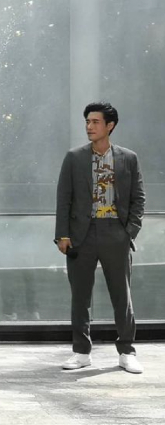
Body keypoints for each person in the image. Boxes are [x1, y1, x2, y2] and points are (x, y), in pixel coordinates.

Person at [55, 102, 145, 373]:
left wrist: (129, 231)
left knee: (122, 295)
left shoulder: (128, 158)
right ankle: (81, 351)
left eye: (95, 122)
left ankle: (127, 351)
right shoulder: (74, 157)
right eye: (87, 122)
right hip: (81, 235)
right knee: (80, 296)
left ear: (110, 125)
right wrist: (62, 234)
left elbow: (138, 198)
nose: (89, 126)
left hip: (115, 233)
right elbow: (64, 199)